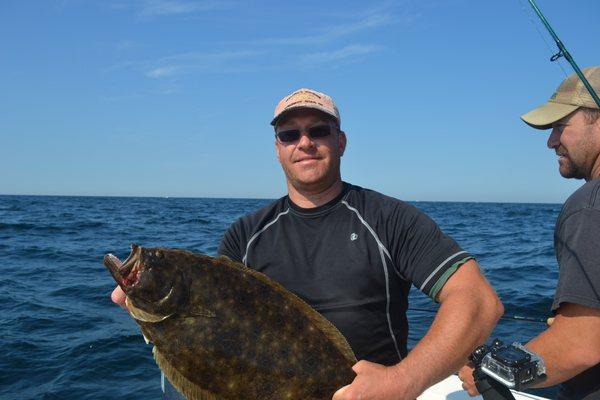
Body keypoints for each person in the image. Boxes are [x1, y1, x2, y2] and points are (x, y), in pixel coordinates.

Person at [113, 88, 503, 399]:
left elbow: (478, 299)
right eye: (289, 134)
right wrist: (152, 318)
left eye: (318, 131)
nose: (305, 142)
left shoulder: (388, 217)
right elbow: (212, 340)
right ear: (278, 148)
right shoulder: (244, 235)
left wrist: (403, 381)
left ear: (341, 141)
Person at [459, 67, 600, 400]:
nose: (551, 141)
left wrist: (488, 368)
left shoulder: (591, 204)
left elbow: (582, 342)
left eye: (560, 126)